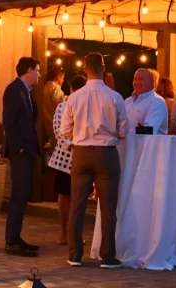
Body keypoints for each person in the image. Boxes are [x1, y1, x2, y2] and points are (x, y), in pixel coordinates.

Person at [60, 53, 127, 268]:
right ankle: (108, 256)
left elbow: (64, 130)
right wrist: (113, 135)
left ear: (84, 68)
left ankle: (74, 254)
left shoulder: (74, 97)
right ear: (103, 68)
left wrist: (79, 137)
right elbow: (124, 130)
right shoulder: (115, 97)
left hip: (81, 152)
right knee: (108, 207)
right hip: (106, 153)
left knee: (77, 205)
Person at [2, 57, 41, 257]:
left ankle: (16, 236)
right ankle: (12, 239)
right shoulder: (14, 90)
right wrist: (18, 148)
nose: (39, 75)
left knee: (23, 193)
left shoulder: (26, 91)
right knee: (19, 193)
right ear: (28, 70)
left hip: (27, 150)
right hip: (21, 151)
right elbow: (9, 121)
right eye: (37, 70)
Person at [49, 75, 88, 245]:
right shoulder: (62, 107)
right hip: (65, 158)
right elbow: (59, 132)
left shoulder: (90, 107)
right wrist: (74, 145)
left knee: (80, 196)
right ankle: (64, 231)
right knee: (65, 195)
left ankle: (76, 232)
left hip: (85, 156)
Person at [126, 68, 169, 135]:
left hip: (150, 145)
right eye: (135, 79)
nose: (137, 82)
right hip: (127, 145)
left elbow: (149, 130)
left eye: (141, 79)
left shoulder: (157, 102)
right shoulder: (127, 101)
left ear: (152, 82)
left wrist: (125, 132)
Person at [42, 66, 66, 148]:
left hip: (46, 125)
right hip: (56, 127)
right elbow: (59, 107)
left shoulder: (44, 87)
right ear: (59, 76)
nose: (63, 80)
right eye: (63, 78)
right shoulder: (55, 88)